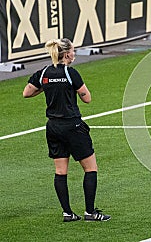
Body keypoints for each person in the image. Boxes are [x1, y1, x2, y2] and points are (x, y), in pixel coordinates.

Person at [23, 38, 110, 222]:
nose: (75, 54)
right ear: (67, 54)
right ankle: (90, 212)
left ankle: (68, 213)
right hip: (73, 126)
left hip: (53, 127)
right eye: (73, 51)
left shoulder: (44, 72)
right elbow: (87, 98)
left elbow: (27, 92)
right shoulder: (71, 73)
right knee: (90, 168)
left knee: (61, 171)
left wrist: (46, 87)